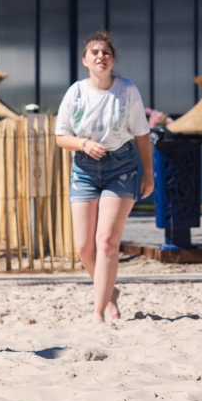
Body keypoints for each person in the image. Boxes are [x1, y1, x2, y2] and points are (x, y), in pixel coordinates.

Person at [55, 29, 155, 324]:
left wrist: (148, 173)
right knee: (85, 247)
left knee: (107, 240)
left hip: (121, 166)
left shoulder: (127, 90)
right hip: (84, 168)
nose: (101, 56)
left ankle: (98, 312)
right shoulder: (75, 92)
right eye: (94, 53)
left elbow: (141, 134)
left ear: (113, 60)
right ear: (85, 60)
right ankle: (109, 291)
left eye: (106, 52)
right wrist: (83, 143)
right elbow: (61, 136)